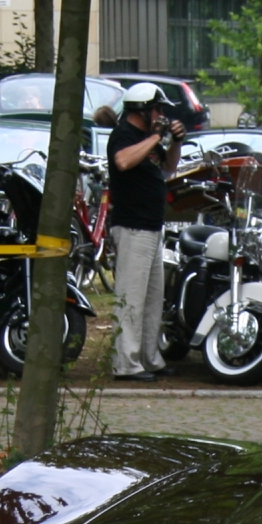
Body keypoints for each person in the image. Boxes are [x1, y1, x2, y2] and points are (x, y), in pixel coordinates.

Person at [107, 81, 184, 382]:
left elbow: (169, 168)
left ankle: (149, 358)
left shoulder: (145, 138)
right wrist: (155, 136)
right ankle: (125, 364)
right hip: (132, 226)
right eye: (157, 109)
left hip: (151, 227)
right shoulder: (124, 135)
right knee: (131, 297)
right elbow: (123, 161)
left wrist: (174, 141)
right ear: (143, 109)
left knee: (153, 299)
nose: (161, 115)